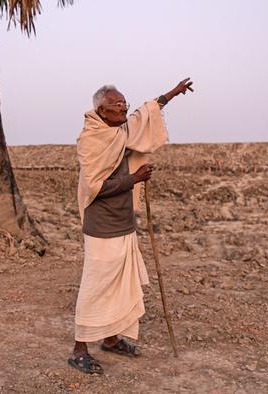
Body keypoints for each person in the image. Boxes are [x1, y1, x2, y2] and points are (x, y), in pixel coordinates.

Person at [69, 78, 194, 374]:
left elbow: (144, 114)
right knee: (97, 286)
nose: (124, 107)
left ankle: (111, 339)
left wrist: (171, 94)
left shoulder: (120, 130)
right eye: (117, 104)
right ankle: (79, 348)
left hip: (124, 222)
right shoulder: (91, 140)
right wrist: (134, 179)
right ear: (101, 109)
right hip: (102, 226)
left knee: (119, 285)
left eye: (124, 102)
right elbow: (95, 186)